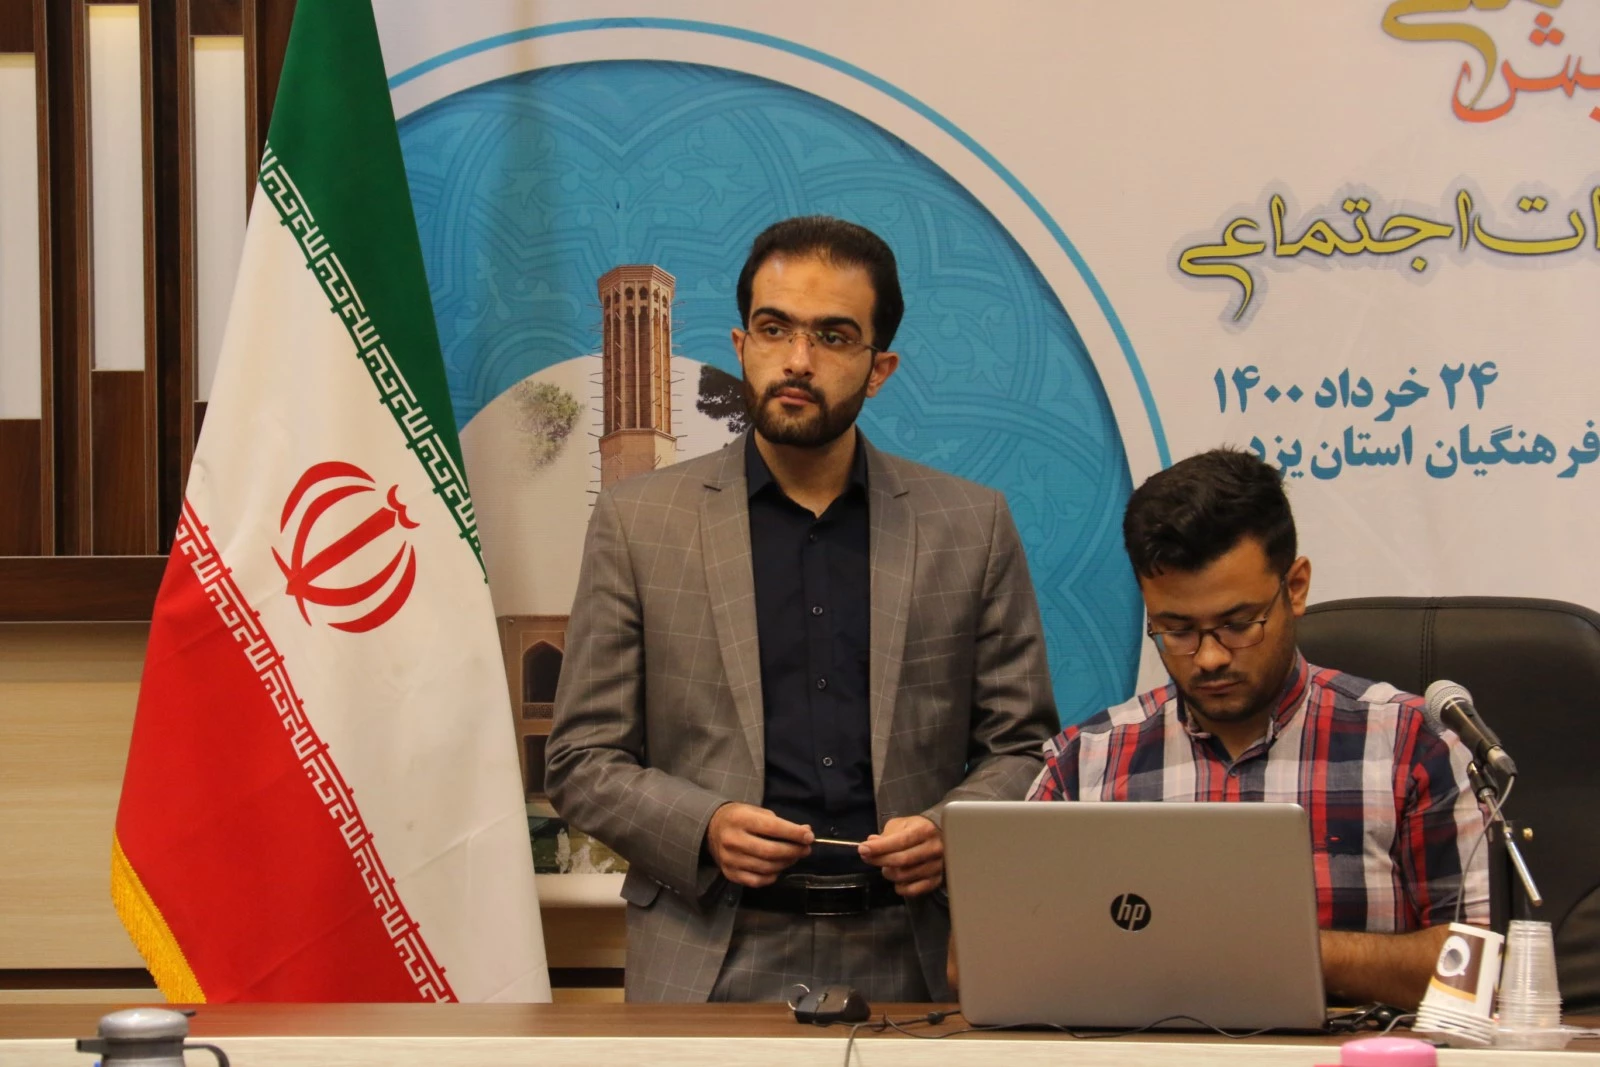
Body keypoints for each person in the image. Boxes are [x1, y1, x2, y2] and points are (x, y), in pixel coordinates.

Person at [545, 216, 1059, 1003]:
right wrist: (705, 825)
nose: (797, 359)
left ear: (879, 368)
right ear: (740, 342)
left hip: (913, 955)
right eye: (774, 328)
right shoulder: (639, 522)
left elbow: (1024, 748)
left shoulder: (970, 525)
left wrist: (953, 828)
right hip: (709, 956)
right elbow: (581, 758)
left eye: (833, 336)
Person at [1026, 448, 1489, 1010]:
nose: (1210, 657)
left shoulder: (1411, 744)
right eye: (1176, 630)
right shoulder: (1086, 763)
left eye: (1238, 623)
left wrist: (1271, 951)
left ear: (1295, 587)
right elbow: (984, 958)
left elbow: (1475, 968)